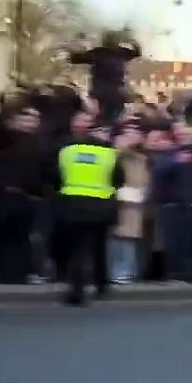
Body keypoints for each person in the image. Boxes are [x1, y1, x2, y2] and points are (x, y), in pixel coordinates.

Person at [49, 117, 125, 306]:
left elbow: (54, 177)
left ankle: (77, 291)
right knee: (99, 247)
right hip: (102, 206)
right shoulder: (110, 154)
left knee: (77, 250)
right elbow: (119, 180)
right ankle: (102, 285)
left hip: (72, 205)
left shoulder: (67, 151)